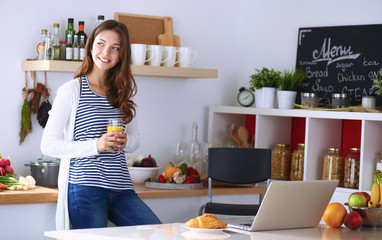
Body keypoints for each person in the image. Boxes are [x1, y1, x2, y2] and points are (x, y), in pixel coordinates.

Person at [41, 20, 161, 230]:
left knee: (157, 232)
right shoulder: (72, 90)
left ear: (121, 55)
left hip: (122, 187)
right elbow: (48, 145)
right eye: (101, 44)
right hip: (85, 188)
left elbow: (135, 141)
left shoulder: (122, 92)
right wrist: (97, 145)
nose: (106, 52)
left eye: (115, 48)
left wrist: (125, 141)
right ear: (90, 46)